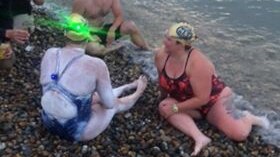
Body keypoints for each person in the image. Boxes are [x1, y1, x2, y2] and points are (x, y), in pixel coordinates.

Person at [154, 22, 270, 156]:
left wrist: (175, 108)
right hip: (187, 102)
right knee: (163, 107)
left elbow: (202, 99)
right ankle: (200, 137)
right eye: (165, 36)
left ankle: (249, 117)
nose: (164, 41)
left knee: (239, 134)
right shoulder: (161, 56)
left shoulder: (199, 64)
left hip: (213, 101)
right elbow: (162, 82)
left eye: (168, 39)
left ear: (180, 44)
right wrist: (162, 99)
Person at [40, 13, 147, 141]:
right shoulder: (96, 65)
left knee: (91, 97)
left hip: (48, 122)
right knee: (113, 105)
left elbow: (57, 81)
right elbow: (109, 104)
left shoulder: (50, 53)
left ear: (65, 33)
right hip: (75, 131)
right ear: (87, 36)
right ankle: (138, 91)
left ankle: (127, 86)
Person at [72, 0, 149, 57]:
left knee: (130, 25)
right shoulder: (81, 2)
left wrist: (112, 30)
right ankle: (109, 49)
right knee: (93, 49)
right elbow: (74, 25)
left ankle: (147, 50)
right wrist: (89, 36)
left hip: (103, 31)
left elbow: (119, 16)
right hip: (86, 34)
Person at [0, 0, 30, 70]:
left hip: (21, 12)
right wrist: (5, 33)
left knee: (6, 61)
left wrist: (6, 42)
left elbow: (6, 16)